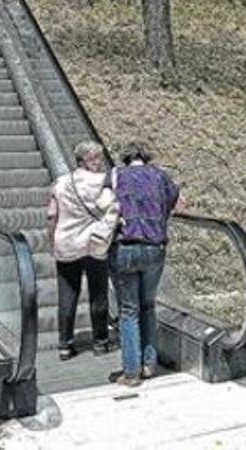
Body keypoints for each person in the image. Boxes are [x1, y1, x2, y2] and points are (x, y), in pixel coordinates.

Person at [100, 142, 179, 387]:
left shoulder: (114, 175)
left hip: (125, 247)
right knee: (148, 306)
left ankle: (131, 372)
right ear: (146, 157)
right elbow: (173, 198)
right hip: (155, 247)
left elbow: (101, 204)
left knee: (129, 311)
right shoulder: (161, 176)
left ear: (125, 158)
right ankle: (149, 364)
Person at [47, 141, 116, 361]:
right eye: (95, 158)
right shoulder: (103, 181)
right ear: (84, 160)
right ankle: (100, 343)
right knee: (98, 293)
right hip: (95, 243)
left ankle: (65, 345)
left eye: (100, 158)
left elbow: (51, 215)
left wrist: (52, 240)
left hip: (66, 243)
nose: (99, 162)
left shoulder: (60, 182)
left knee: (67, 295)